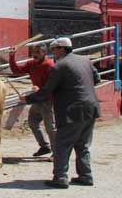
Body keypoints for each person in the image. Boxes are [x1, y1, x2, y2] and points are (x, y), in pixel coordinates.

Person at [20, 37, 100, 189]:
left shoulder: (59, 66)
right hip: (91, 108)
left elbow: (47, 91)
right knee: (82, 144)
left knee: (62, 144)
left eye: (54, 49)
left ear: (62, 49)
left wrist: (27, 98)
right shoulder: (85, 60)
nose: (52, 53)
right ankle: (86, 175)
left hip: (72, 110)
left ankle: (60, 177)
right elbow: (97, 79)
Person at [9, 44, 56, 157]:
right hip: (37, 99)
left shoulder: (49, 65)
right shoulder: (31, 63)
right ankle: (44, 146)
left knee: (50, 128)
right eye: (34, 52)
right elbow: (17, 71)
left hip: (48, 101)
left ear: (44, 53)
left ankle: (57, 152)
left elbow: (52, 85)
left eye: (38, 52)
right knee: (33, 123)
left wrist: (40, 89)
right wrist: (12, 56)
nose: (34, 54)